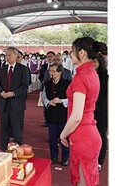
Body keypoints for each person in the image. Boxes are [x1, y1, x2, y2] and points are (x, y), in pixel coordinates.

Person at [60, 37, 101, 186]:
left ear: (82, 53)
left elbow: (76, 116)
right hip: (89, 132)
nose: (70, 55)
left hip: (83, 136)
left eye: (72, 51)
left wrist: (63, 134)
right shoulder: (92, 74)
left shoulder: (81, 78)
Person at [0, 46, 30, 151]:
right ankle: (3, 149)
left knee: (17, 129)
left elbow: (25, 86)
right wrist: (1, 92)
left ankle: (18, 150)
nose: (7, 57)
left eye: (10, 55)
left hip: (17, 104)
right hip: (4, 103)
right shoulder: (2, 69)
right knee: (4, 129)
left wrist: (13, 93)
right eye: (6, 55)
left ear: (16, 56)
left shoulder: (23, 69)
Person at [41, 63, 71, 166]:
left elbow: (71, 99)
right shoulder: (47, 83)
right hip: (51, 114)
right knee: (52, 138)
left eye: (54, 71)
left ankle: (65, 157)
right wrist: (48, 102)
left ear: (60, 73)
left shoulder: (67, 84)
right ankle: (53, 156)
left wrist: (61, 101)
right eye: (50, 71)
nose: (51, 73)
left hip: (63, 114)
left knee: (64, 137)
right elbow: (44, 96)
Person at [93, 42, 108, 172]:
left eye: (95, 63)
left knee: (101, 135)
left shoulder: (105, 77)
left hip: (101, 110)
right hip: (89, 111)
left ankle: (100, 161)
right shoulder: (87, 75)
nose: (93, 65)